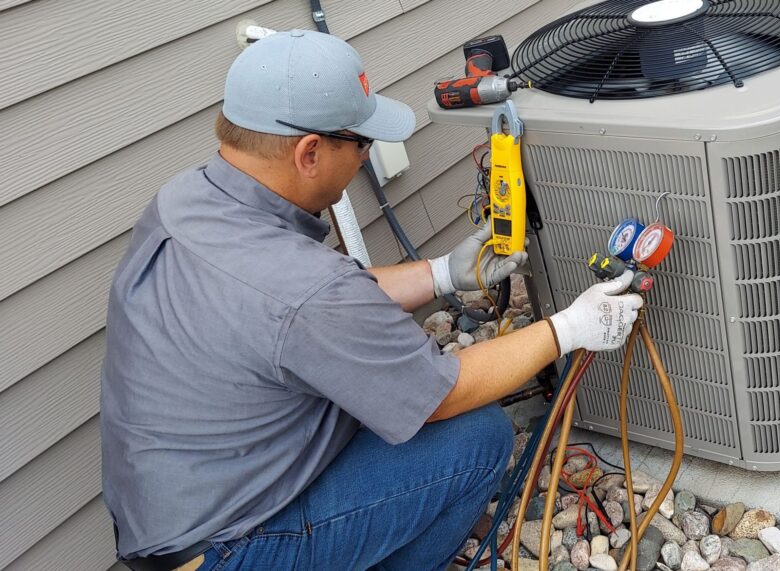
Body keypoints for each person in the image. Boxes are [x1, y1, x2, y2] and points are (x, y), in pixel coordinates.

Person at [100, 30, 643, 571]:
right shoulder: (307, 290)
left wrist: (441, 273)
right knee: (477, 439)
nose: (365, 156)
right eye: (361, 143)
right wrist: (571, 328)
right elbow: (437, 394)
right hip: (230, 552)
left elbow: (307, 306)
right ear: (309, 153)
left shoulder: (184, 200)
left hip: (167, 517)